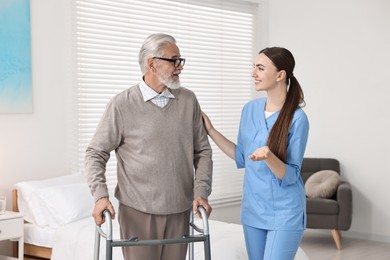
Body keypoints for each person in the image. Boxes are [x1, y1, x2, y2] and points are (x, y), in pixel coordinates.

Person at [85, 33, 213, 260]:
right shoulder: (122, 104)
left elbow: (202, 151)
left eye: (180, 60)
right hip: (138, 211)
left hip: (180, 209)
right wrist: (100, 196)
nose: (179, 67)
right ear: (151, 64)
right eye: (174, 60)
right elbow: (96, 152)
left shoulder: (188, 100)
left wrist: (201, 191)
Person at [202, 47, 309, 260]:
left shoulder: (298, 119)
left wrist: (269, 156)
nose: (253, 73)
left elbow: (290, 176)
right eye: (254, 67)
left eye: (260, 68)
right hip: (253, 211)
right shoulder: (249, 109)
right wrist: (211, 131)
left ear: (280, 75)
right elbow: (242, 157)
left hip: (284, 213)